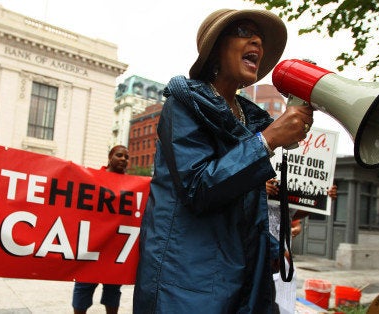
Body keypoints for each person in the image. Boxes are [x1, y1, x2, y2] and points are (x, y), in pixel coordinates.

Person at [133, 8, 314, 313]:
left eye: (260, 38)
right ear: (216, 49)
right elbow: (199, 188)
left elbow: (243, 209)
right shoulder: (182, 107)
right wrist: (267, 141)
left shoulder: (250, 121)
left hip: (242, 282)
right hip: (187, 284)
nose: (257, 40)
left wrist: (270, 248)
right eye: (244, 32)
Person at [72, 145, 129, 314]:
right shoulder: (93, 179)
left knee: (113, 289)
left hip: (115, 246)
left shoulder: (132, 185)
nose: (123, 159)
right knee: (83, 285)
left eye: (126, 157)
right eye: (119, 155)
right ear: (110, 156)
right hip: (92, 242)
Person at [266, 178, 337, 313]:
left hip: (283, 260)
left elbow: (294, 213)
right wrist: (258, 193)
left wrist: (323, 199)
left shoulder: (284, 180)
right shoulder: (251, 178)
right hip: (260, 255)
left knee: (281, 303)